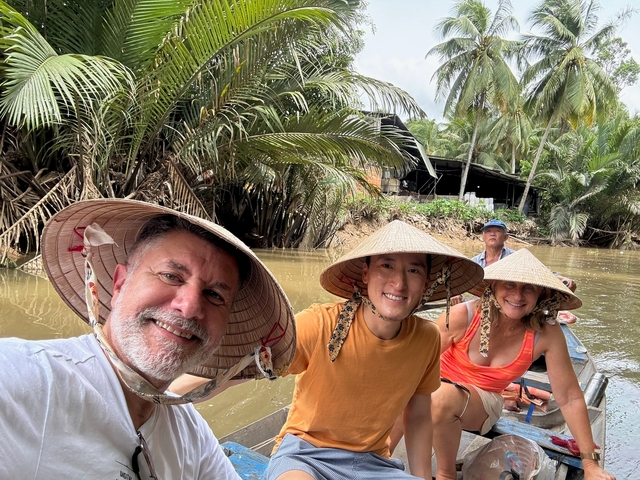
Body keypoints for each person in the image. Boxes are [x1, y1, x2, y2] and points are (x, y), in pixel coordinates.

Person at [0, 199, 296, 479]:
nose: (190, 306)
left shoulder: (191, 436)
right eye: (171, 276)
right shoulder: (24, 379)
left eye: (214, 295)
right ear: (119, 285)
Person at [263, 220, 484, 480]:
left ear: (425, 284)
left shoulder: (427, 337)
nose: (399, 283)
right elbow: (248, 363)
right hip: (306, 456)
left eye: (413, 271)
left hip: (372, 463)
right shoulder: (321, 324)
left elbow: (418, 416)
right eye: (387, 266)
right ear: (365, 274)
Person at [391, 248, 615, 480]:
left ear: (540, 294)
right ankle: (380, 456)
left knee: (440, 396)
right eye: (509, 284)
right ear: (494, 286)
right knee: (409, 389)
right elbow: (413, 367)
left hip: (482, 402)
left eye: (528, 287)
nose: (517, 296)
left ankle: (446, 474)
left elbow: (569, 397)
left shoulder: (546, 332)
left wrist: (590, 464)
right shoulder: (462, 316)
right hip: (436, 387)